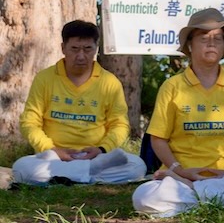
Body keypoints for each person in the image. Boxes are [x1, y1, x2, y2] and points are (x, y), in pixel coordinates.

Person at [132, 9, 224, 217]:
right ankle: (221, 199)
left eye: (218, 38)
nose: (211, 43)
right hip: (180, 177)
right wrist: (179, 171)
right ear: (190, 44)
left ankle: (197, 194)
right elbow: (158, 139)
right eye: (204, 37)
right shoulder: (172, 86)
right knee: (143, 197)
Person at [13, 20, 146, 185]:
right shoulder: (45, 78)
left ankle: (68, 175)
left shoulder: (109, 82)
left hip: (96, 156)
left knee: (137, 166)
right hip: (54, 156)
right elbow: (29, 122)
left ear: (96, 49)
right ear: (63, 48)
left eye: (88, 49)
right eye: (75, 49)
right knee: (20, 168)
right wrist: (51, 149)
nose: (81, 56)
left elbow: (120, 124)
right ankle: (89, 173)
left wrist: (102, 149)